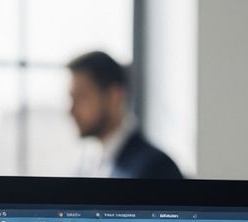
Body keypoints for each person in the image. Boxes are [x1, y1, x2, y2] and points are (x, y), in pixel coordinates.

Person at [67, 50, 184, 179]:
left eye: (81, 97)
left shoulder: (157, 168)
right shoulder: (87, 164)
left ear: (114, 97)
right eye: (72, 98)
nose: (71, 110)